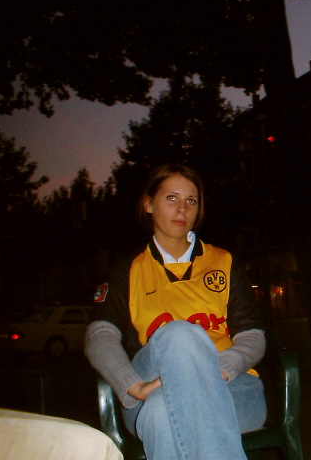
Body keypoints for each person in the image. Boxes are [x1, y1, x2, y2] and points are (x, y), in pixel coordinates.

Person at [85, 164, 266, 460]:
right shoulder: (128, 269)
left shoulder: (224, 261)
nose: (182, 209)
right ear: (148, 203)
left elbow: (252, 335)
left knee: (160, 411)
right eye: (171, 198)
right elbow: (99, 336)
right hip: (149, 385)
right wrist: (133, 386)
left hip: (233, 386)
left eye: (191, 200)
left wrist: (219, 368)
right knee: (179, 334)